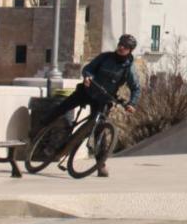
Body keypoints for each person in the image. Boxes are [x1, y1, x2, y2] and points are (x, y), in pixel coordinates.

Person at [40, 34, 141, 177]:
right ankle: (41, 128)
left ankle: (101, 164)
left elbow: (136, 88)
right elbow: (89, 68)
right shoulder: (106, 57)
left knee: (100, 130)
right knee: (62, 108)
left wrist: (132, 103)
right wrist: (87, 76)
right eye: (120, 44)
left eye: (125, 46)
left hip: (103, 99)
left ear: (130, 50)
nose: (121, 47)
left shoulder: (129, 69)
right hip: (87, 91)